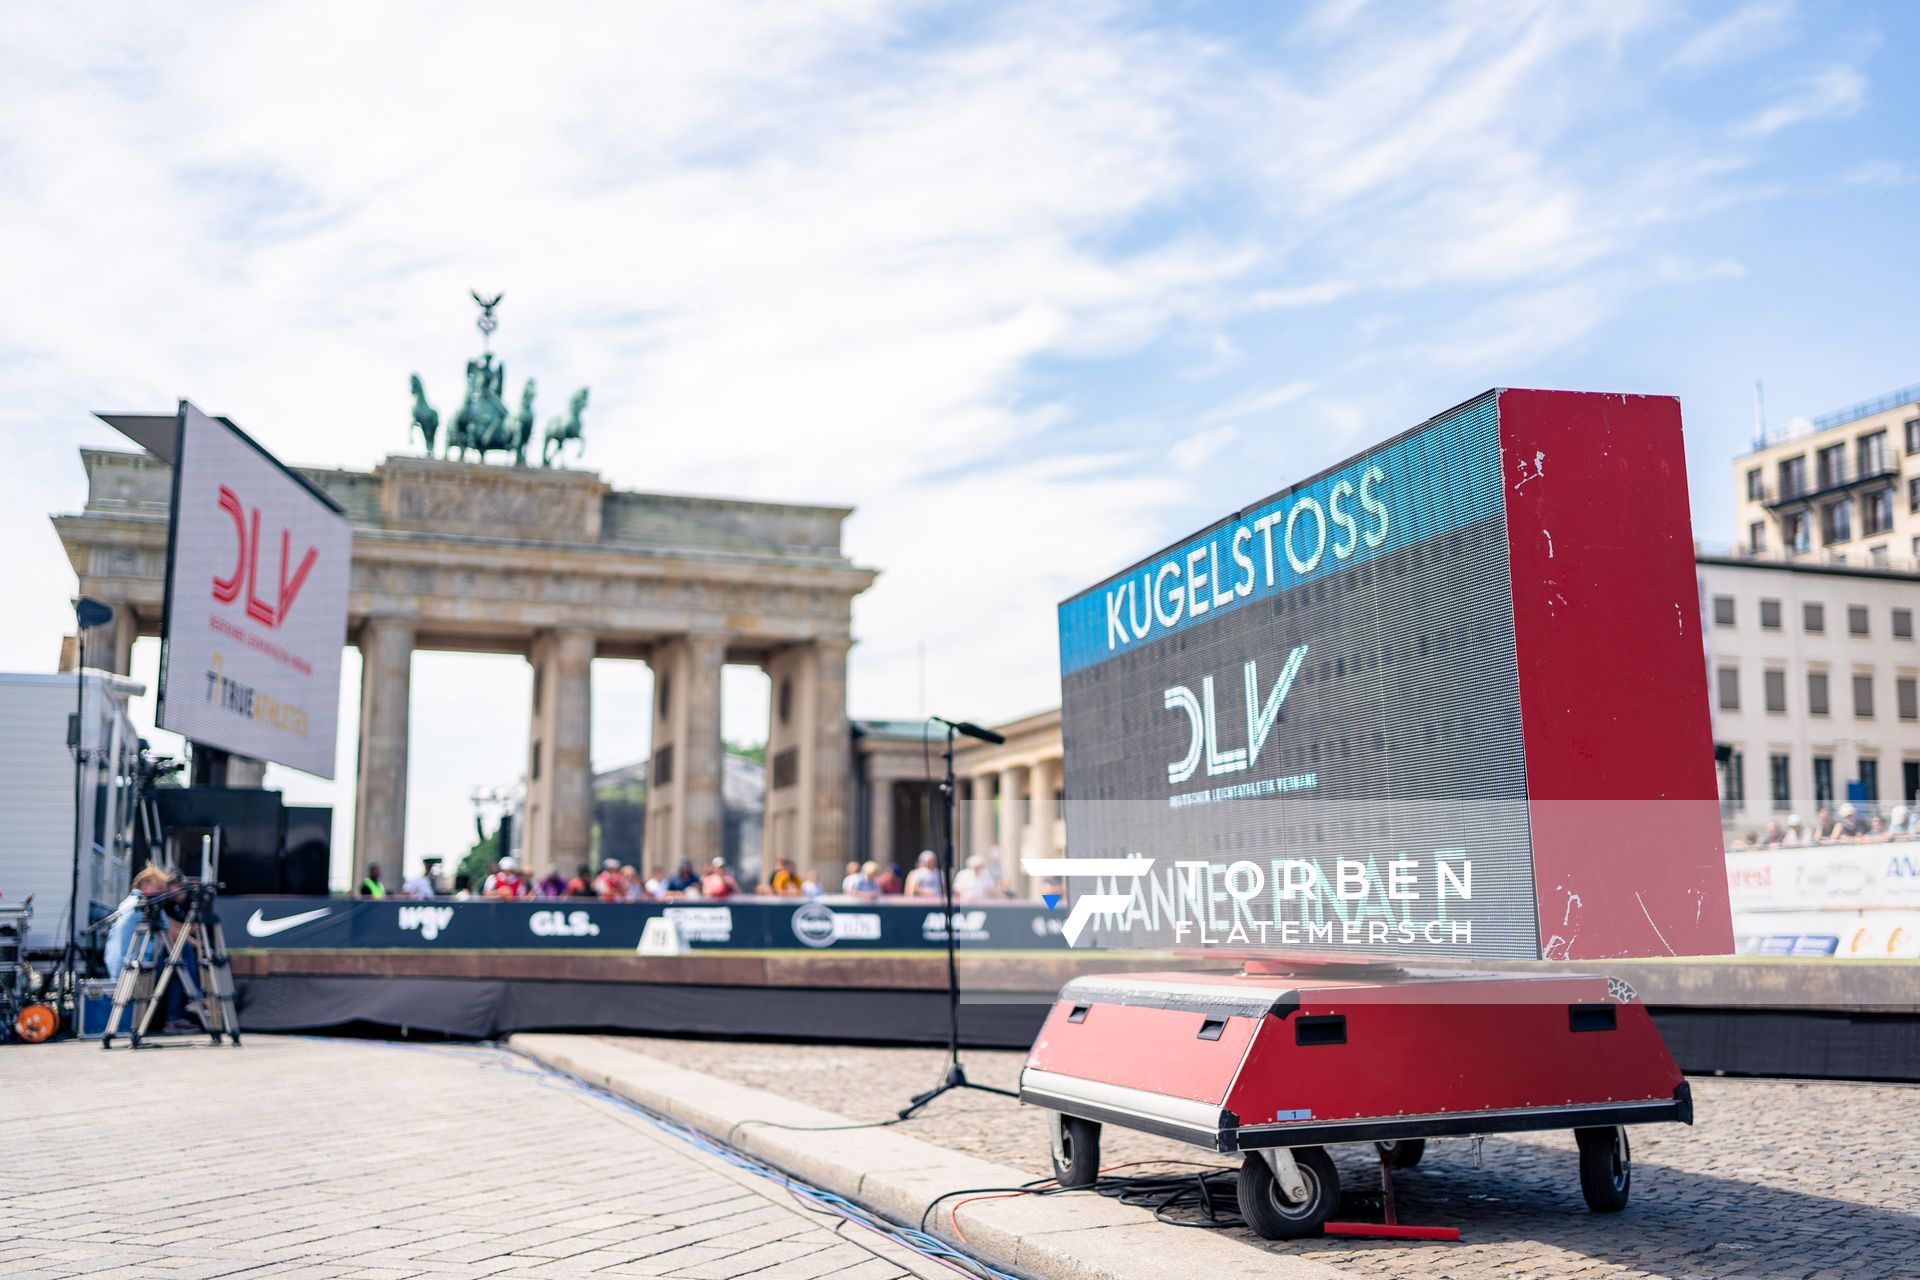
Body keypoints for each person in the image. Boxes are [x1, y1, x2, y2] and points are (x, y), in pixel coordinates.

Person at [105, 865, 199, 1032]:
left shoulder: (130, 902)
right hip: (133, 969)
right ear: (145, 886)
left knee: (179, 951)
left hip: (124, 965)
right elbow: (174, 934)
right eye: (160, 888)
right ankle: (181, 1012)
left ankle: (188, 1003)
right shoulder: (146, 906)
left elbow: (174, 928)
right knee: (180, 955)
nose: (164, 893)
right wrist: (197, 940)